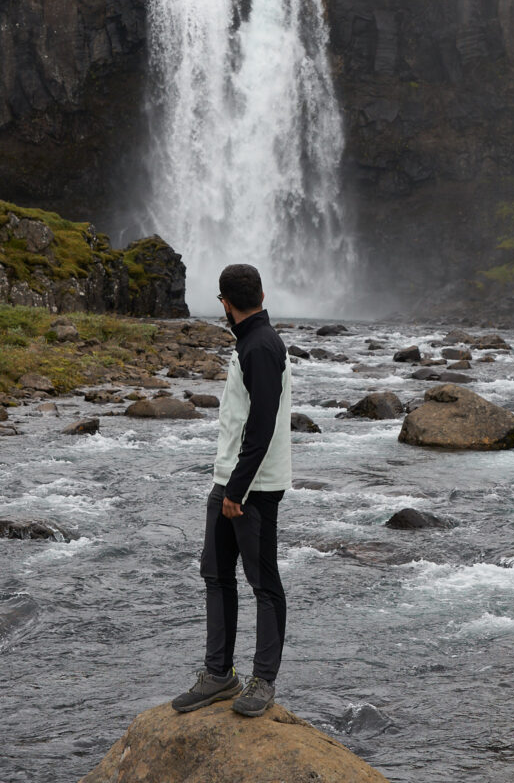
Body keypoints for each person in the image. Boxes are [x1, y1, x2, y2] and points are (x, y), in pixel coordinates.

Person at [172, 263, 292, 717]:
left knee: (264, 584)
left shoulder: (260, 347)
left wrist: (236, 492)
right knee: (216, 574)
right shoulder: (252, 343)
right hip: (232, 477)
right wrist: (227, 483)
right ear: (261, 293)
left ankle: (263, 681)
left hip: (253, 486)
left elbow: (260, 428)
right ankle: (219, 675)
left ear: (225, 302)